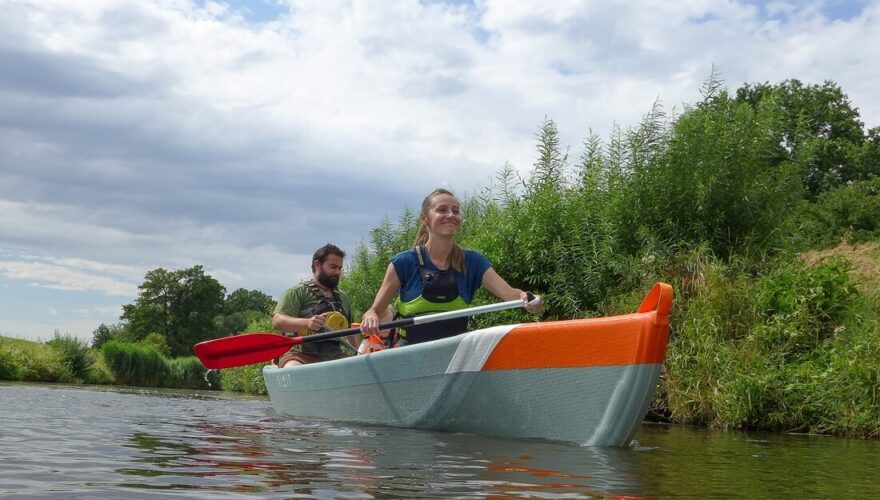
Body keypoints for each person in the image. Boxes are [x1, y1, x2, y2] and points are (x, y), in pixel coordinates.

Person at [359, 188, 543, 345]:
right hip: (411, 356)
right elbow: (375, 310)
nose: (451, 215)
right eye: (442, 210)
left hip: (457, 356)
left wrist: (525, 298)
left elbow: (510, 294)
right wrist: (371, 316)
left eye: (456, 211)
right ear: (425, 219)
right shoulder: (403, 263)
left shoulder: (474, 262)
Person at [272, 243, 357, 367]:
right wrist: (307, 323)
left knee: (354, 367)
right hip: (299, 355)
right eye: (333, 267)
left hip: (334, 356)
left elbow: (351, 330)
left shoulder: (343, 298)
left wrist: (360, 352)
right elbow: (277, 321)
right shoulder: (297, 292)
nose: (337, 272)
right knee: (294, 367)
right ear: (317, 265)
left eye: (340, 268)